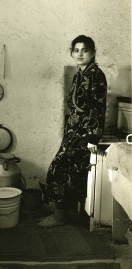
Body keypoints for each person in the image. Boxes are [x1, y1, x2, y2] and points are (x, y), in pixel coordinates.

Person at [38, 35, 107, 227]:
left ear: (93, 53)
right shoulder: (79, 75)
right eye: (76, 50)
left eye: (84, 50)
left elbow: (98, 107)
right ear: (72, 52)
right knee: (68, 171)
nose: (80, 53)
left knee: (61, 168)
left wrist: (93, 137)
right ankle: (63, 212)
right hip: (73, 132)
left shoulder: (96, 75)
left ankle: (61, 215)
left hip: (85, 133)